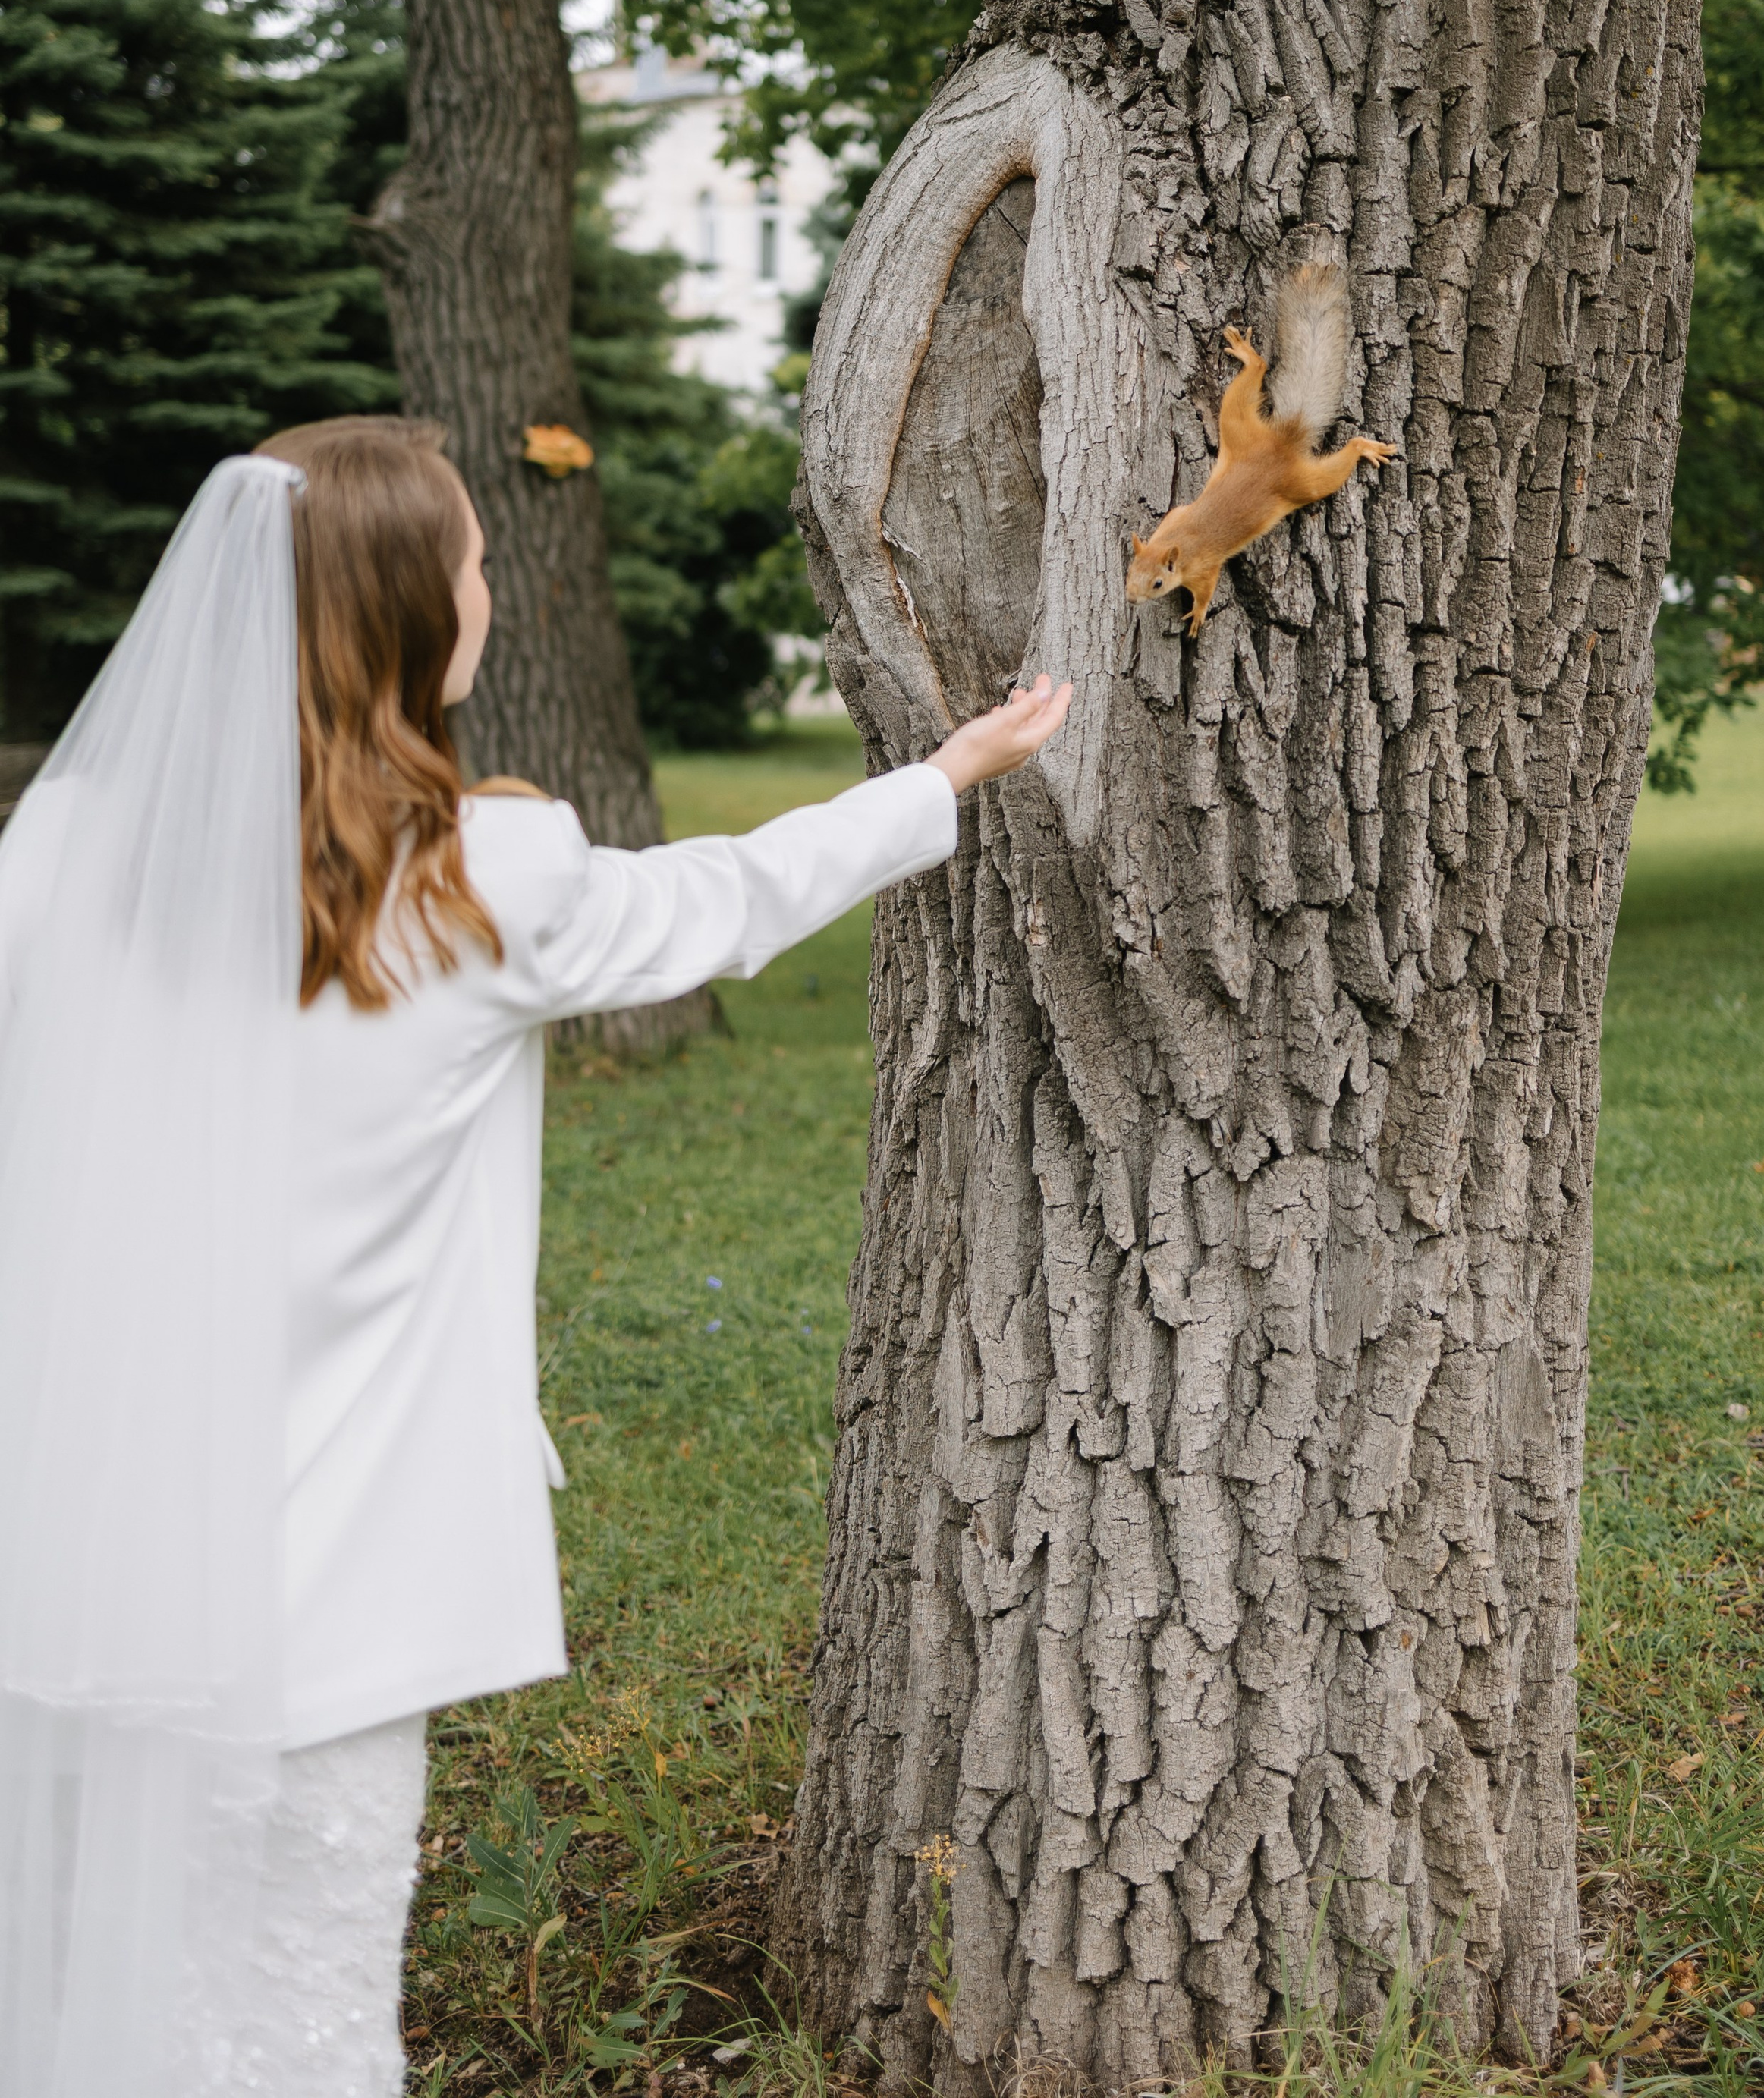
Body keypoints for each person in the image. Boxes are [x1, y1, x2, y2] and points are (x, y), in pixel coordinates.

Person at [0, 417, 1070, 2098]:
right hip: (326, 1583)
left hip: (80, 1562)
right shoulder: (481, 880)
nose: (492, 581)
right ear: (417, 612)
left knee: (93, 1978)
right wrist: (936, 784)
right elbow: (722, 896)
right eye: (475, 557)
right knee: (293, 2004)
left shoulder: (54, 866)